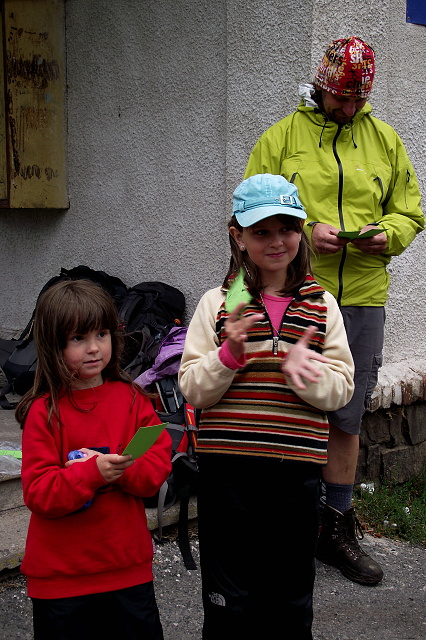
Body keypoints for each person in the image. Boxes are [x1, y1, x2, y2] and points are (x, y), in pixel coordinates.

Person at [244, 36, 424, 586]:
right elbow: (249, 210)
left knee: (346, 412)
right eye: (342, 98)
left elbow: (410, 211)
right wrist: (304, 231)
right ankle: (287, 522)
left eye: (358, 100)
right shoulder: (281, 139)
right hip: (297, 291)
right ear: (322, 86)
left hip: (364, 294)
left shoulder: (385, 139)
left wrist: (387, 234)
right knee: (288, 402)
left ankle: (336, 526)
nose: (349, 108)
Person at [178, 173, 354, 640]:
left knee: (289, 596)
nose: (277, 241)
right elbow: (192, 388)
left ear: (301, 230)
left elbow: (342, 389)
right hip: (227, 475)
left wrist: (307, 375)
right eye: (261, 232)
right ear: (237, 236)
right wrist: (228, 356)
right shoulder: (217, 303)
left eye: (287, 229)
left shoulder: (323, 305)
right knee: (228, 597)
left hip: (295, 476)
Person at [16, 279, 172, 640]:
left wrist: (120, 471)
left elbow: (155, 470)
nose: (93, 348)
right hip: (61, 577)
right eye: (77, 338)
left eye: (101, 334)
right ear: (53, 345)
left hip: (126, 567)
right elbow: (39, 492)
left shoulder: (132, 399)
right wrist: (91, 474)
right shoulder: (44, 412)